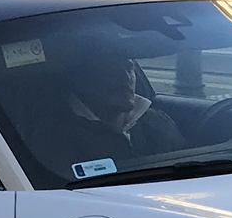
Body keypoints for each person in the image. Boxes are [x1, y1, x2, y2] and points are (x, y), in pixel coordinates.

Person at [27, 43, 189, 181]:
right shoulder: (55, 137)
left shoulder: (157, 121)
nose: (125, 78)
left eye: (129, 69)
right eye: (112, 71)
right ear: (81, 82)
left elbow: (189, 166)